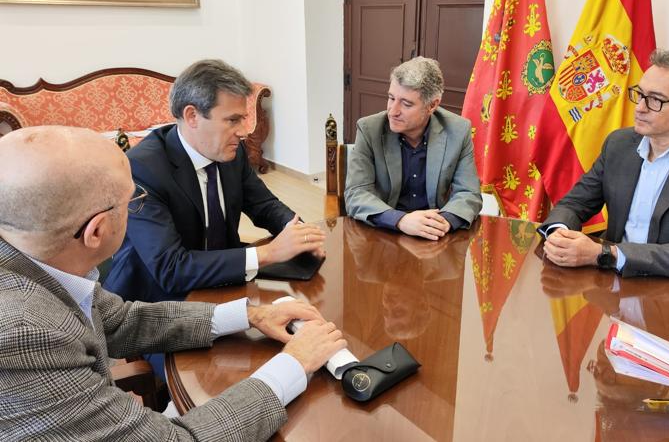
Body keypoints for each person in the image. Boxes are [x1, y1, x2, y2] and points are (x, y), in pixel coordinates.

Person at [0, 126, 346, 440]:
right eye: (131, 203)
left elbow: (120, 320)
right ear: (97, 231)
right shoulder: (27, 334)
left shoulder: (34, 259)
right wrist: (293, 365)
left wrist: (250, 316)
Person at [106, 59, 326, 304]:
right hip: (156, 302)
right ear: (192, 116)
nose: (244, 131)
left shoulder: (231, 151)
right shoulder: (142, 169)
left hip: (222, 281)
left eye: (243, 118)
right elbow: (171, 269)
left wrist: (299, 233)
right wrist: (268, 253)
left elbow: (263, 205)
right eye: (232, 120)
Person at [538, 48, 669, 292]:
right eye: (640, 94)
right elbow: (573, 204)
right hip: (614, 285)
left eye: (656, 100)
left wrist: (606, 253)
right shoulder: (619, 144)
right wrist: (559, 233)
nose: (640, 108)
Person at [344, 56, 482, 240]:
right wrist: (401, 220)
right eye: (391, 98)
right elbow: (356, 193)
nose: (393, 111)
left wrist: (440, 222)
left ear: (432, 105)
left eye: (406, 104)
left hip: (435, 235)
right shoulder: (369, 129)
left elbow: (469, 193)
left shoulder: (458, 130)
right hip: (384, 233)